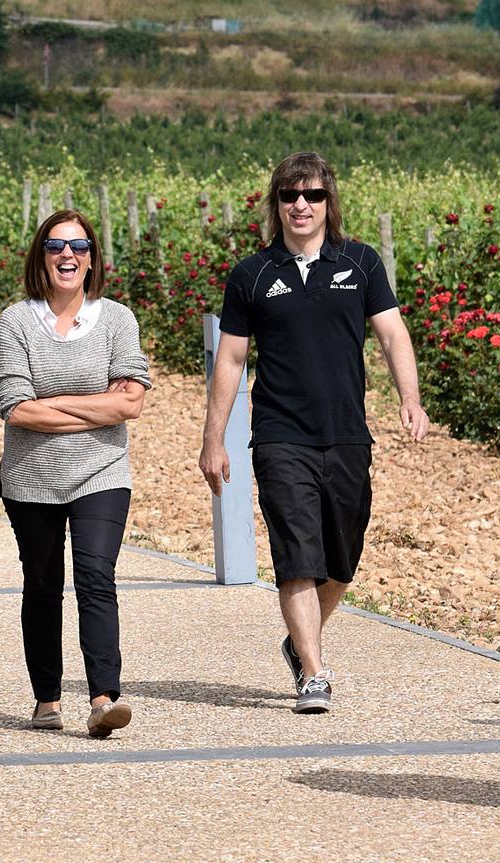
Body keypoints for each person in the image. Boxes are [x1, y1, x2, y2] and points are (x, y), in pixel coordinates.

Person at [198, 152, 429, 714]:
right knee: (297, 553)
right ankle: (314, 672)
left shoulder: (361, 263)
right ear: (276, 205)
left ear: (329, 202)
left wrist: (411, 398)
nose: (301, 205)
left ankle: (299, 640)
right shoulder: (252, 274)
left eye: (313, 195)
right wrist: (213, 438)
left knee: (342, 558)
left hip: (347, 432)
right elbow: (230, 360)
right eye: (290, 196)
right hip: (280, 434)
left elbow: (394, 336)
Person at [0, 210, 151, 738]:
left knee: (95, 577)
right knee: (42, 584)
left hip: (103, 472)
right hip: (30, 476)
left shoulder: (117, 319)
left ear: (92, 258)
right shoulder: (15, 321)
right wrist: (96, 402)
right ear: (41, 256)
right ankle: (47, 699)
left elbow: (130, 406)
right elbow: (16, 409)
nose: (68, 255)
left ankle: (104, 698)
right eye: (57, 246)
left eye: (79, 246)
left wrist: (54, 402)